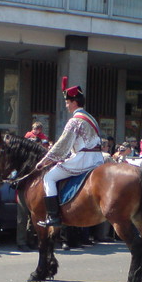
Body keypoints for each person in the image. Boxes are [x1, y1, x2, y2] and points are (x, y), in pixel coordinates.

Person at [34, 78, 104, 227]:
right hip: (97, 158)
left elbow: (63, 144)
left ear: (73, 102)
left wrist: (45, 161)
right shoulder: (91, 118)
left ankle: (53, 216)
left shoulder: (74, 121)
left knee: (49, 177)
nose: (66, 105)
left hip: (83, 159)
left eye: (67, 102)